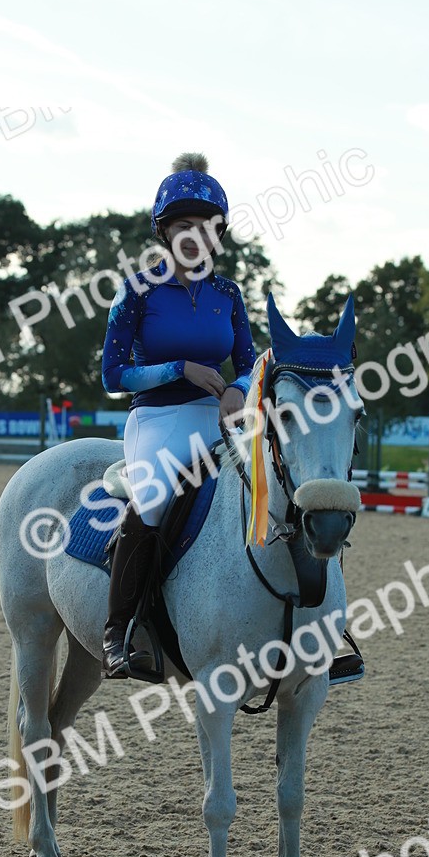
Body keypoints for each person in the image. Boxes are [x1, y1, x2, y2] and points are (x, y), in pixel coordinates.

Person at [100, 152, 257, 678]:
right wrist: (179, 369)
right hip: (158, 421)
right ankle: (120, 629)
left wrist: (237, 388)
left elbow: (251, 361)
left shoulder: (228, 294)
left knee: (278, 484)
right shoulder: (137, 292)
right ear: (164, 233)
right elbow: (113, 374)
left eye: (207, 226)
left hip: (219, 419)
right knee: (153, 501)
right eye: (183, 225)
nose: (196, 235)